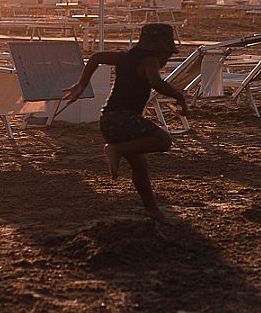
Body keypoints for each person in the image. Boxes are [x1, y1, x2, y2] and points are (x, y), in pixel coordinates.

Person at [62, 23, 187, 223]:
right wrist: (179, 96)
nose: (167, 59)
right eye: (168, 55)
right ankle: (116, 150)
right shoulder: (150, 61)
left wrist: (81, 84)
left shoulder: (125, 57)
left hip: (108, 119)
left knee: (139, 166)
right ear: (161, 50)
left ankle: (151, 208)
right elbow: (156, 82)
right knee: (164, 141)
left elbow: (96, 58)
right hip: (125, 119)